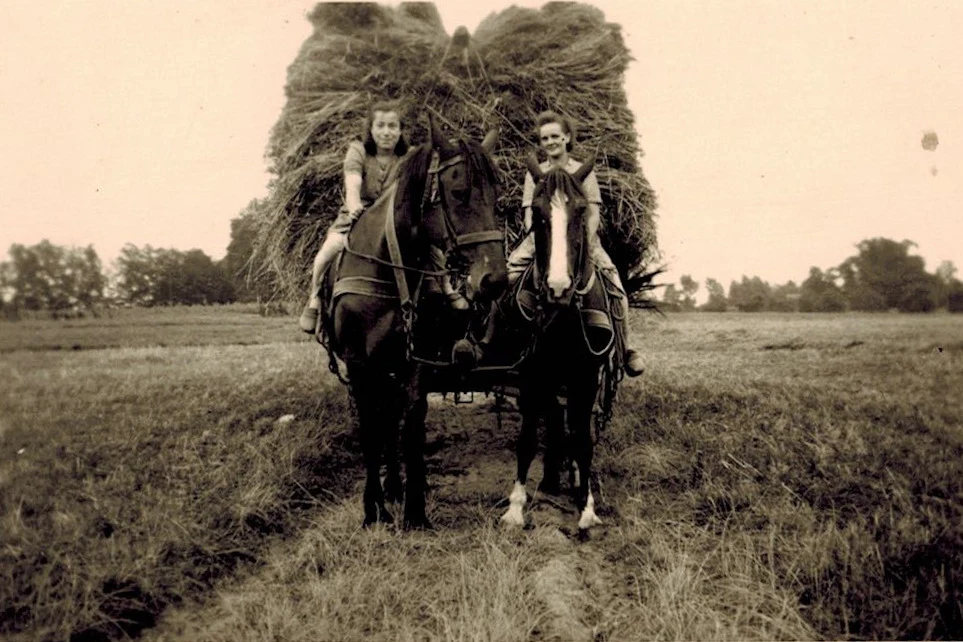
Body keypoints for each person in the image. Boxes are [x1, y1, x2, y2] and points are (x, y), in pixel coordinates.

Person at [299, 101, 466, 333]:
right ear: (371, 129)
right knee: (329, 249)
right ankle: (315, 299)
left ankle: (447, 288)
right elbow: (353, 183)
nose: (386, 132)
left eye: (392, 126)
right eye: (380, 126)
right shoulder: (358, 151)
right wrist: (355, 204)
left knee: (430, 249)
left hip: (396, 218)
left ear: (400, 130)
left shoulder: (408, 156)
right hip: (359, 214)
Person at [507, 110, 645, 376]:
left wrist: (584, 241)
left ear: (567, 137)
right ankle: (494, 339)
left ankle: (625, 348)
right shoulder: (536, 173)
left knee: (615, 285)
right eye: (545, 138)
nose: (550, 142)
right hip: (542, 237)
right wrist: (539, 238)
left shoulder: (581, 172)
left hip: (580, 239)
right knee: (509, 276)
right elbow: (528, 211)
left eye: (555, 136)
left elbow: (592, 213)